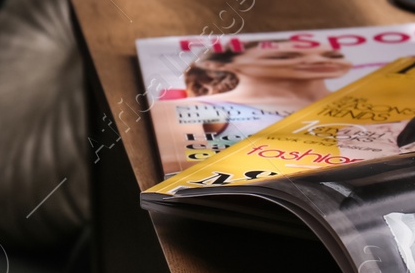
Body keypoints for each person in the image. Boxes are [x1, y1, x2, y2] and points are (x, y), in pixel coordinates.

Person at [150, 42, 352, 174]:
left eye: (334, 55)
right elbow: (182, 176)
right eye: (283, 57)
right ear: (217, 65)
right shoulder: (183, 108)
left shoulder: (362, 105)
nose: (319, 60)